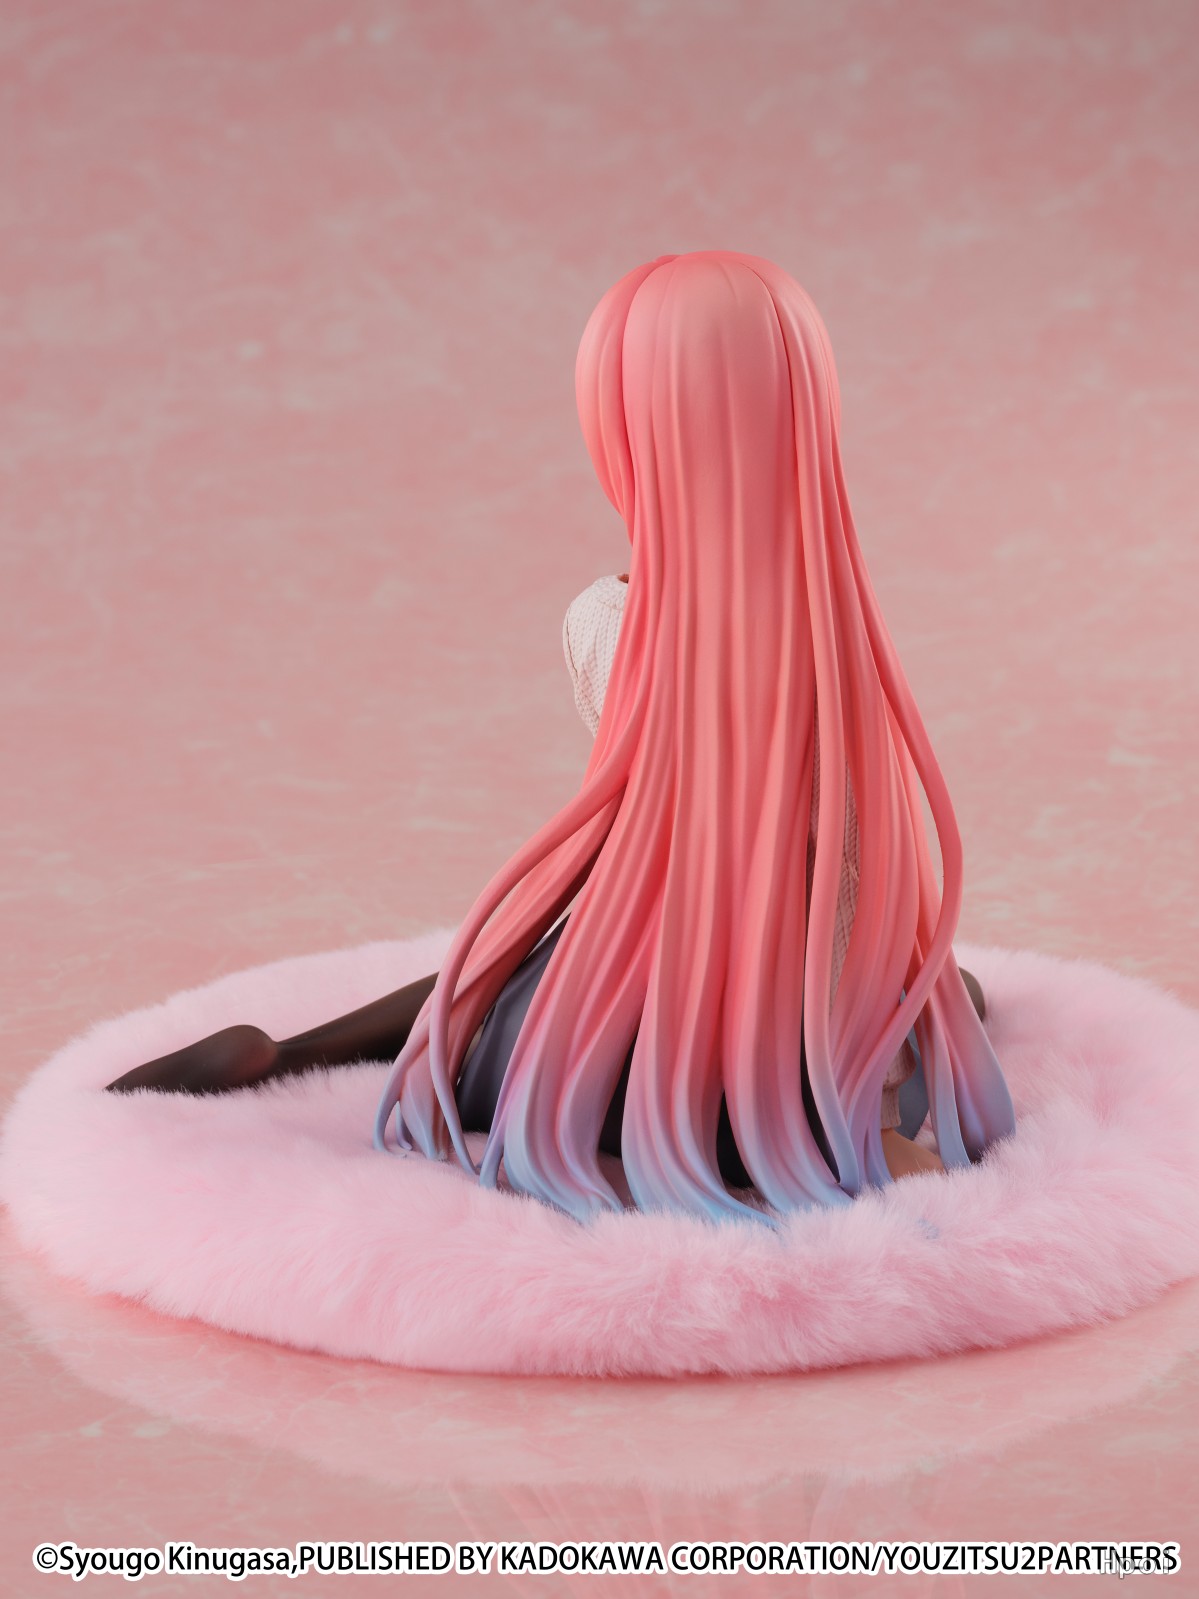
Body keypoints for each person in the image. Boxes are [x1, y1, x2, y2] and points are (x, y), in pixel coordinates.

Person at [108, 251, 1015, 1230]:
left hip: (647, 1065)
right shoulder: (841, 633)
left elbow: (642, 852)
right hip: (799, 1049)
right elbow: (850, 872)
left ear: (632, 427)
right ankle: (822, 1093)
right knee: (946, 988)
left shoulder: (608, 619)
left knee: (519, 967)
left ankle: (292, 1054)